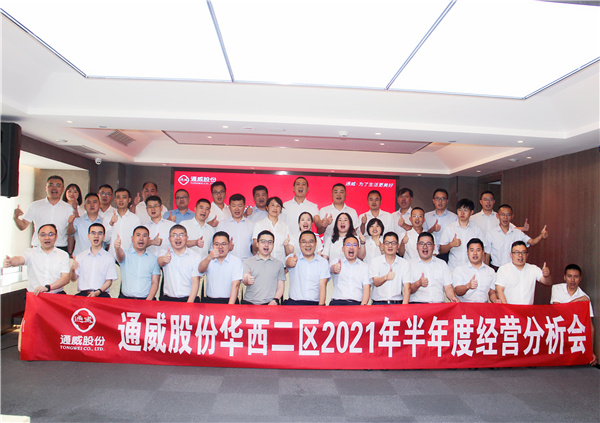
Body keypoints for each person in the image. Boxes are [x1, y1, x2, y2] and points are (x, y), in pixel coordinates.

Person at [3, 224, 70, 295]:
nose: (47, 238)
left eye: (51, 234)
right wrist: (11, 261)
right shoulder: (30, 253)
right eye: (43, 235)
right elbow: (20, 259)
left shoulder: (63, 255)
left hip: (56, 296)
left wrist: (48, 288)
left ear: (56, 237)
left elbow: (65, 278)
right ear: (38, 237)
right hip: (35, 296)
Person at [551, 264, 597, 366]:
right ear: (564, 277)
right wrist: (577, 301)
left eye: (576, 277)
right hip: (558, 332)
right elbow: (558, 310)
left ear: (580, 278)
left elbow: (590, 326)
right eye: (569, 276)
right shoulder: (557, 288)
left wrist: (591, 351)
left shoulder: (585, 297)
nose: (572, 280)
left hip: (572, 335)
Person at [13, 175, 73, 251]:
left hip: (60, 248)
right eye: (51, 185)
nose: (54, 188)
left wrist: (70, 252)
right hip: (38, 248)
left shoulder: (68, 208)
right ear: (46, 188)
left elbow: (71, 233)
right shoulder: (35, 205)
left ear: (63, 189)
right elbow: (22, 226)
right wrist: (15, 218)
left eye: (58, 185)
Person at [485, 204, 548, 268]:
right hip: (496, 268)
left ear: (512, 216)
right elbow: (487, 254)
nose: (505, 217)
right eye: (502, 214)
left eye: (508, 215)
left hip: (513, 269)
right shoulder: (490, 234)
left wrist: (541, 236)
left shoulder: (518, 233)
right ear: (497, 216)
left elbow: (532, 242)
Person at [406, 232, 459, 304]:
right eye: (421, 244)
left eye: (428, 244)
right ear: (417, 246)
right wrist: (418, 283)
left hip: (438, 305)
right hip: (418, 305)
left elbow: (448, 287)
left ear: (433, 247)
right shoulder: (409, 264)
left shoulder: (442, 264)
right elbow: (407, 290)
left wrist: (452, 297)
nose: (425, 247)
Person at [439, 199, 489, 272]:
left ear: (471, 212)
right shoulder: (450, 228)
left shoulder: (477, 229)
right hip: (454, 269)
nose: (462, 213)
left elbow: (483, 252)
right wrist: (451, 244)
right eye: (460, 210)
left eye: (465, 210)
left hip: (472, 270)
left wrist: (483, 270)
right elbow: (442, 250)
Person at [157, 225, 202, 302]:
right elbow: (160, 262)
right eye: (174, 235)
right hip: (168, 299)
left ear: (187, 238)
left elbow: (195, 281)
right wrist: (164, 259)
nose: (178, 238)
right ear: (169, 239)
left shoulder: (195, 256)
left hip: (188, 299)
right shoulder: (164, 253)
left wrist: (189, 303)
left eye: (181, 235)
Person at [70, 223, 117, 298]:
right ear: (88, 236)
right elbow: (73, 279)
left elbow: (109, 281)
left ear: (104, 237)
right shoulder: (80, 256)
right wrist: (72, 269)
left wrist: (98, 292)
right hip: (83, 295)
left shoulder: (109, 258)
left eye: (99, 233)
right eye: (93, 233)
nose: (96, 236)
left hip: (101, 294)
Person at [114, 226, 160, 300]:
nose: (141, 238)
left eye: (144, 236)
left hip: (145, 300)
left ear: (148, 239)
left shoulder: (154, 259)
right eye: (138, 235)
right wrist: (117, 248)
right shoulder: (125, 254)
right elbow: (120, 257)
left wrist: (148, 300)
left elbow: (155, 282)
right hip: (126, 299)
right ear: (132, 238)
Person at [285, 231, 330, 305]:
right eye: (304, 242)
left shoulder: (323, 262)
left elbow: (322, 285)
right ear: (299, 244)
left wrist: (321, 306)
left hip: (314, 303)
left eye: (311, 241)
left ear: (316, 243)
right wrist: (289, 262)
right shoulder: (293, 257)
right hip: (294, 303)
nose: (308, 245)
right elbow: (287, 262)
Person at [242, 230, 285, 305]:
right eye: (263, 242)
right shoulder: (247, 262)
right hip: (249, 303)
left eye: (269, 242)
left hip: (269, 304)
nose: (266, 245)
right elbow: (245, 279)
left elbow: (281, 286)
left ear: (273, 245)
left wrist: (275, 300)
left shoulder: (279, 264)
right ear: (257, 244)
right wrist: (246, 280)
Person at [198, 231, 243, 304]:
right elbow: (200, 270)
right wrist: (209, 258)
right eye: (217, 244)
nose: (220, 247)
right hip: (210, 301)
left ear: (229, 245)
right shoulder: (208, 259)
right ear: (212, 245)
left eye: (224, 244)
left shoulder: (236, 261)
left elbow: (236, 285)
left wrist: (230, 306)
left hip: (230, 301)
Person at [369, 232, 411, 304]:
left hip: (397, 303)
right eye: (387, 243)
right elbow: (376, 282)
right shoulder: (375, 261)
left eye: (393, 243)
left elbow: (407, 288)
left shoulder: (404, 263)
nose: (390, 246)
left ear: (398, 246)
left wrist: (404, 307)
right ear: (383, 246)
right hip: (378, 303)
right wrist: (386, 277)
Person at [452, 238, 499, 303]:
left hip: (483, 306)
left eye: (478, 250)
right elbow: (458, 292)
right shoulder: (460, 270)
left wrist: (495, 300)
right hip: (465, 306)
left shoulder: (490, 271)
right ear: (467, 253)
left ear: (483, 252)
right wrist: (467, 286)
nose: (475, 253)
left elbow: (492, 293)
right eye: (472, 250)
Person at [329, 235, 371, 305]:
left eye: (354, 245)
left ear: (359, 249)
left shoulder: (365, 266)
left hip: (356, 303)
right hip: (337, 302)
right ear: (343, 249)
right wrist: (334, 268)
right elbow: (331, 268)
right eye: (348, 245)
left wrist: (363, 306)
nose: (351, 247)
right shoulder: (336, 261)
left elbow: (366, 288)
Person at [103, 188, 142, 260]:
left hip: (129, 259)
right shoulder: (108, 217)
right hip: (112, 259)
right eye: (118, 197)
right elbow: (105, 239)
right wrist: (111, 224)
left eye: (124, 197)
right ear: (115, 200)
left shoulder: (135, 219)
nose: (121, 200)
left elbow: (138, 241)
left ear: (129, 200)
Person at [252, 197, 290, 264]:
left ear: (281, 209)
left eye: (278, 206)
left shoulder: (285, 226)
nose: (275, 208)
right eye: (272, 205)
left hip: (280, 263)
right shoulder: (259, 224)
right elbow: (255, 244)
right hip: (263, 263)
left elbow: (287, 248)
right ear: (267, 207)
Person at [217, 194, 254, 261]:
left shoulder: (251, 224)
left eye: (240, 206)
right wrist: (227, 247)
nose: (237, 209)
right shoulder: (222, 224)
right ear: (229, 207)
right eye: (234, 206)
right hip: (228, 262)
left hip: (247, 262)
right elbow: (217, 246)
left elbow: (255, 246)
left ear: (244, 207)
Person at [67, 193, 103, 257]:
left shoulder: (104, 222)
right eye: (88, 202)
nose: (92, 205)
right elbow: (70, 233)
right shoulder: (78, 221)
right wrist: (70, 223)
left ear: (99, 205)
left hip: (98, 258)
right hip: (79, 258)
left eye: (95, 202)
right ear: (85, 206)